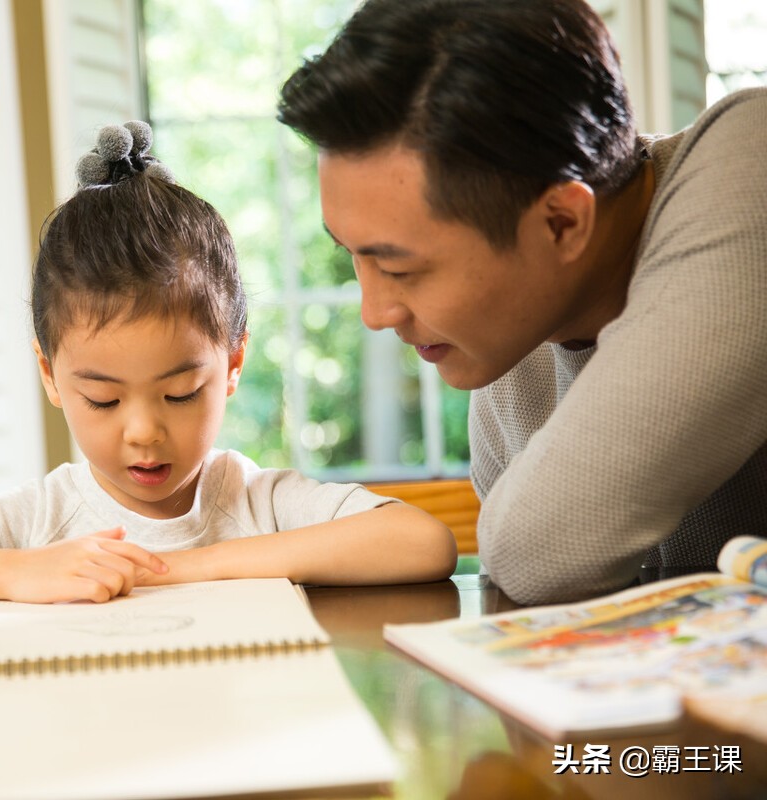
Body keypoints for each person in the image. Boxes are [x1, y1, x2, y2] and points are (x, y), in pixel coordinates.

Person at [0, 121, 457, 613]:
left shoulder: (251, 503)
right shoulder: (41, 520)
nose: (142, 431)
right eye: (104, 401)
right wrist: (15, 571)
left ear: (235, 360)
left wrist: (186, 567)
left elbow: (423, 543)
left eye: (182, 392)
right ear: (50, 374)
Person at [277, 0, 767, 606]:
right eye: (353, 256)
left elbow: (536, 554)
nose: (375, 313)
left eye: (400, 267)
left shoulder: (752, 161)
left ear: (562, 223)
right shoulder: (518, 348)